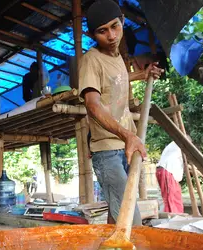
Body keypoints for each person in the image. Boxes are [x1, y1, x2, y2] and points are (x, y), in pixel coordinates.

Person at [80, 0, 164, 225]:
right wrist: (128, 135)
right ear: (92, 34)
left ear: (123, 22)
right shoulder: (91, 60)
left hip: (125, 148)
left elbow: (118, 79)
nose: (111, 35)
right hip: (107, 152)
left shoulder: (118, 58)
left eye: (115, 26)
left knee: (116, 217)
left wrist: (143, 75)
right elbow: (93, 104)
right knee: (131, 223)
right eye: (102, 31)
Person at [156, 141, 184, 213]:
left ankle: (176, 215)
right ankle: (172, 218)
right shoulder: (179, 144)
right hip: (168, 171)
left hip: (167, 171)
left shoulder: (173, 146)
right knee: (170, 199)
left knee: (174, 197)